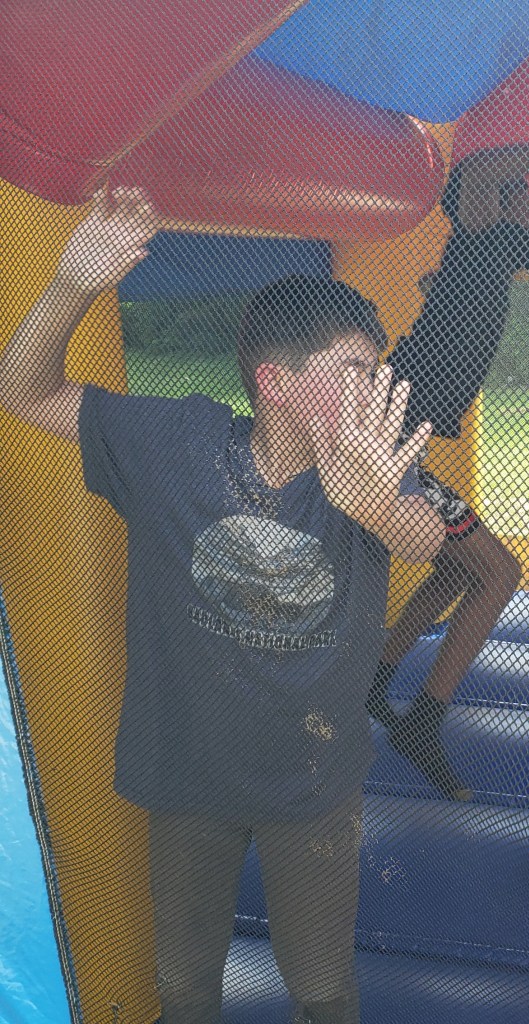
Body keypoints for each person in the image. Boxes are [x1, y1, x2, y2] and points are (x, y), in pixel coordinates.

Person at [0, 187, 446, 1024]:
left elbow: (424, 539)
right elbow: (21, 392)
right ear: (276, 382)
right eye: (355, 371)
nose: (376, 388)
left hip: (312, 787)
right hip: (186, 777)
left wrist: (376, 507)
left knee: (322, 989)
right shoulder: (177, 445)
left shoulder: (372, 468)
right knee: (182, 983)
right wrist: (69, 285)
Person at [367, 138, 529, 801]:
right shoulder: (476, 239)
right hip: (384, 442)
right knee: (499, 574)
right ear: (501, 207)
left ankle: (377, 680)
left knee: (459, 568)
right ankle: (423, 721)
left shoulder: (487, 260)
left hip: (398, 443)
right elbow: (473, 173)